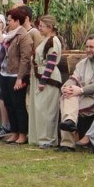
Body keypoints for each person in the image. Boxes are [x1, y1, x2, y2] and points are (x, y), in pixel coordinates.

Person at [57, 34, 94, 152]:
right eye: (87, 47)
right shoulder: (83, 63)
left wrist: (80, 90)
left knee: (70, 101)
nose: (88, 50)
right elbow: (73, 78)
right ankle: (68, 139)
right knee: (67, 97)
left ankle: (68, 136)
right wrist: (66, 87)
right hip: (80, 96)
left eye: (92, 47)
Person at [0, 8, 34, 146]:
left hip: (16, 75)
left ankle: (22, 133)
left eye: (10, 20)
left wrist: (20, 77)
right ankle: (14, 132)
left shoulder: (24, 36)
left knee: (18, 104)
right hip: (5, 72)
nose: (8, 23)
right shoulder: (9, 34)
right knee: (8, 103)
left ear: (17, 21)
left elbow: (25, 58)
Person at [28, 15, 62, 148]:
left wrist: (43, 80)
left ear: (50, 27)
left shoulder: (53, 41)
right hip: (39, 75)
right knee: (39, 108)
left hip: (48, 78)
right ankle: (39, 137)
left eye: (42, 26)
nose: (39, 28)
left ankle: (48, 139)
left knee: (46, 109)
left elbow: (51, 63)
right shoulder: (46, 40)